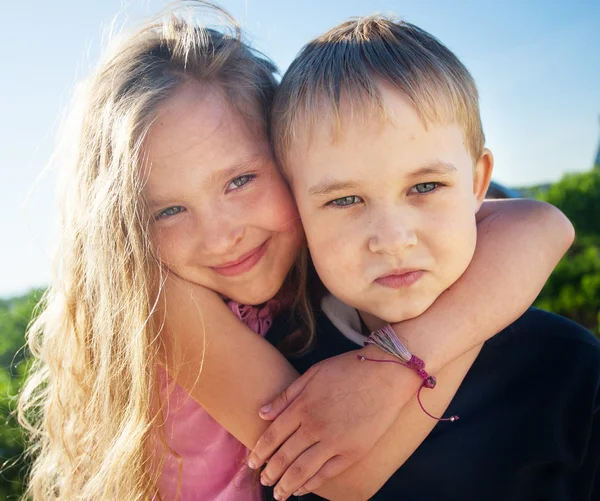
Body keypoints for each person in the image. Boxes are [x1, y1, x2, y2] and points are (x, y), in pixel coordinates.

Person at [17, 3, 575, 501]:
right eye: (167, 211)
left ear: (292, 162)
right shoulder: (160, 298)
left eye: (239, 180)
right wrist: (398, 372)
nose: (220, 236)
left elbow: (542, 225)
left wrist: (403, 356)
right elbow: (340, 477)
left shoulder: (328, 243)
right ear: (128, 227)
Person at [245, 15, 600, 500]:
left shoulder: (569, 368)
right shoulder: (278, 365)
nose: (392, 240)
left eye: (425, 186)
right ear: (297, 209)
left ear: (477, 184)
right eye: (345, 200)